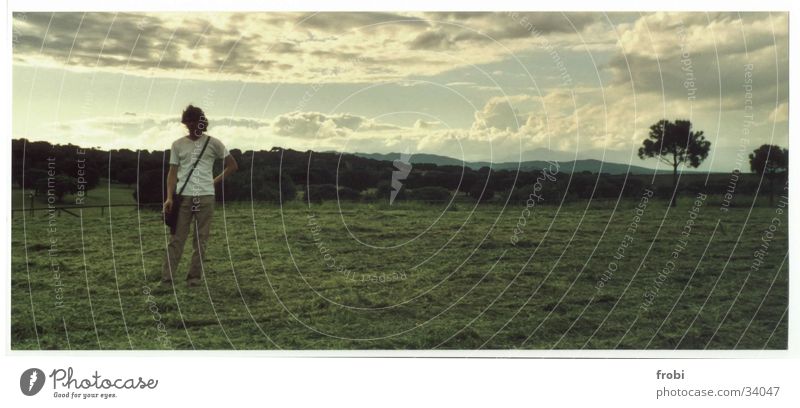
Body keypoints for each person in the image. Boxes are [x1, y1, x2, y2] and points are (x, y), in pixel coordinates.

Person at [162, 105, 238, 287]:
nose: (190, 125)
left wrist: (213, 181)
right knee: (177, 239)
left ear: (201, 122)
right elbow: (172, 173)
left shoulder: (214, 143)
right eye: (187, 122)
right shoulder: (177, 144)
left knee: (201, 239)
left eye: (193, 121)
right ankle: (167, 279)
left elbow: (232, 165)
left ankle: (194, 278)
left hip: (205, 197)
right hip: (184, 197)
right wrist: (169, 197)